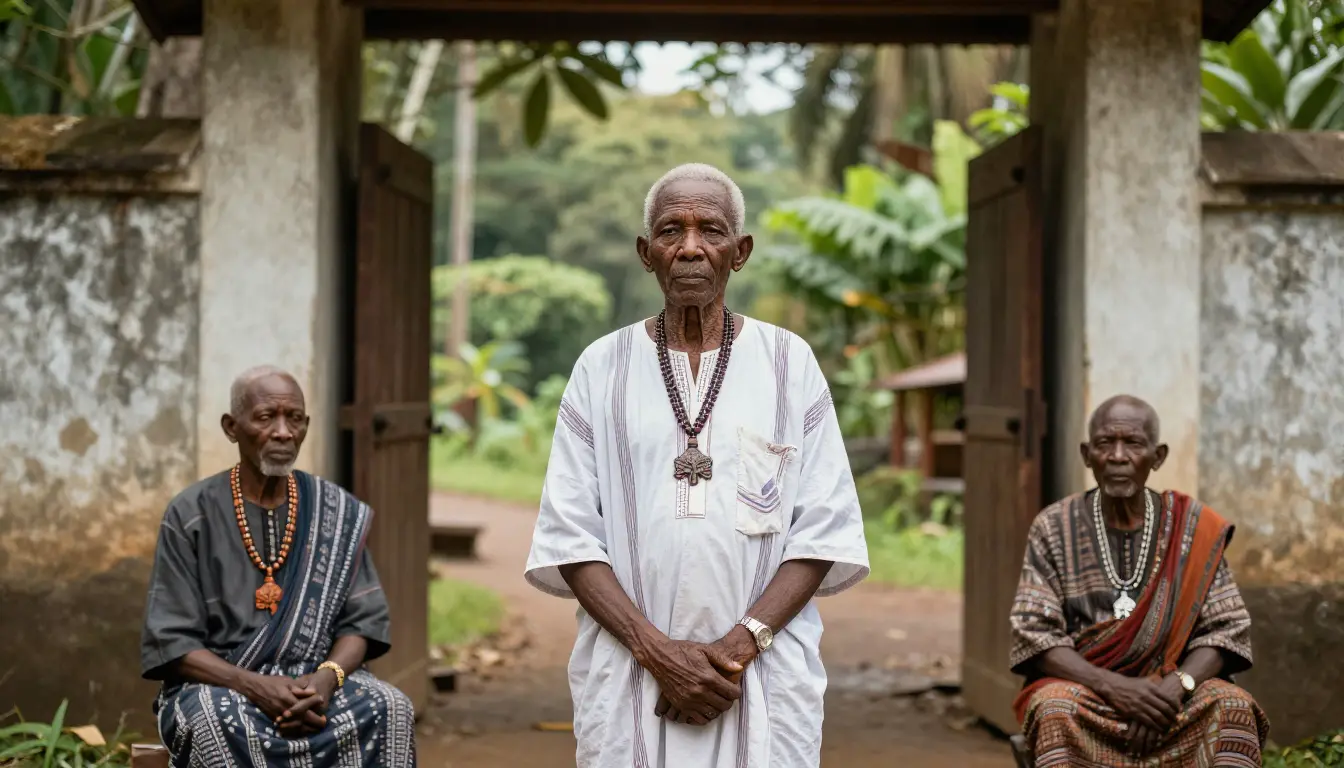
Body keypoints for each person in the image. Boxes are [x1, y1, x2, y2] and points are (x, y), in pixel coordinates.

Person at [525, 163, 869, 768]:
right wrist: (657, 653)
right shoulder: (601, 367)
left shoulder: (790, 363)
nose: (689, 247)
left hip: (762, 672)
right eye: (669, 230)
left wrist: (736, 650)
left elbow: (823, 529)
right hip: (630, 670)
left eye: (710, 230)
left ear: (740, 252)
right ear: (645, 252)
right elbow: (571, 535)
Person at [140, 366, 416, 766]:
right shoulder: (191, 513)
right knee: (214, 722)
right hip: (220, 684)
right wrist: (255, 686)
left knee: (392, 707)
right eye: (267, 417)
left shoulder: (335, 511)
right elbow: (172, 643)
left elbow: (362, 624)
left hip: (315, 683)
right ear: (232, 427)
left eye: (296, 418)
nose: (284, 432)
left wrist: (325, 680)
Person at [1010, 394, 1269, 765]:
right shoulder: (1053, 526)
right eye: (1104, 444)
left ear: (1157, 456)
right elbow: (1034, 634)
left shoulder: (1194, 527)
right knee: (1054, 708)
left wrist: (1172, 690)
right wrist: (1117, 689)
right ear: (1087, 454)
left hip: (1173, 697)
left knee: (1232, 706)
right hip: (1088, 695)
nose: (1117, 456)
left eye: (1132, 443)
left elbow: (1226, 631)